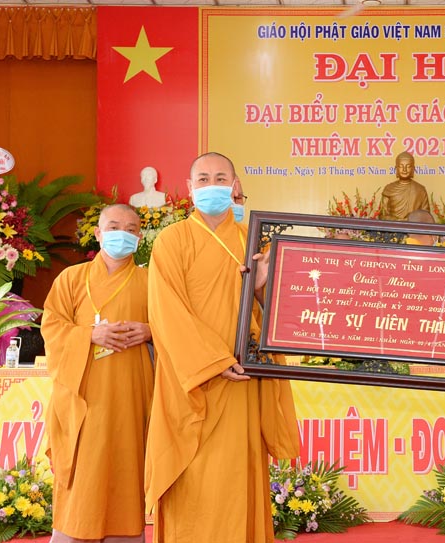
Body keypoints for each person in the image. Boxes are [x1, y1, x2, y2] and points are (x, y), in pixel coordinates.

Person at [144, 152, 299, 543]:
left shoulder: (254, 242)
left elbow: (280, 314)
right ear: (189, 187)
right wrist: (213, 361)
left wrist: (262, 287)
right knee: (194, 478)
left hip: (242, 381)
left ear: (233, 185)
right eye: (203, 179)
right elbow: (166, 312)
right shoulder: (171, 241)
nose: (211, 185)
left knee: (235, 477)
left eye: (220, 178)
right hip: (194, 382)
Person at [42, 203, 154, 543]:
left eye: (131, 229)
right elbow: (51, 327)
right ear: (98, 233)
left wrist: (151, 331)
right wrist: (89, 335)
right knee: (84, 471)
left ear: (140, 237)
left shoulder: (152, 281)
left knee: (126, 467)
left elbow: (175, 328)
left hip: (131, 396)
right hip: (84, 396)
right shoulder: (71, 278)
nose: (122, 234)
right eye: (114, 227)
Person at [380, 151, 430, 221]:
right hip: (393, 226)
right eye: (401, 166)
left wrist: (410, 220)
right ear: (396, 168)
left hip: (413, 227)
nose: (404, 170)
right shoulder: (388, 189)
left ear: (413, 169)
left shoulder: (420, 190)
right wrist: (397, 220)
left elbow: (426, 217)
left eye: (408, 166)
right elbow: (382, 215)